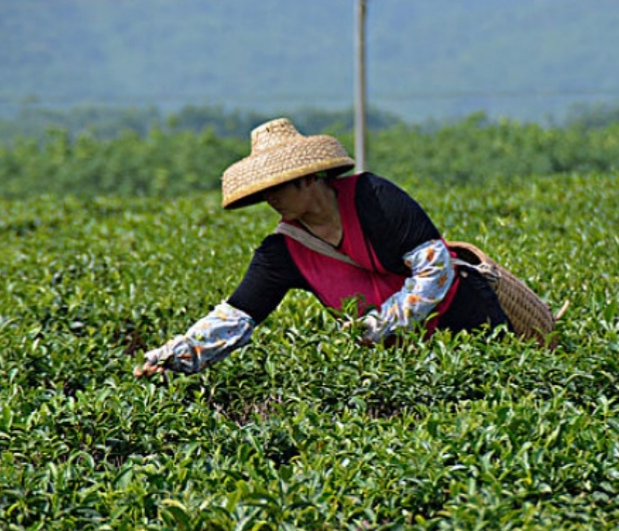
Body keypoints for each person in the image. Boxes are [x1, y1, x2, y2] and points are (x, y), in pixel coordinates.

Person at [135, 118, 509, 378]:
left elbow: (434, 268)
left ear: (309, 178)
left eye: (277, 186)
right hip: (402, 361)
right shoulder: (281, 253)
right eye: (264, 191)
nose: (271, 199)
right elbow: (236, 316)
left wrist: (380, 325)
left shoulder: (375, 199)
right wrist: (175, 355)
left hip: (467, 321)